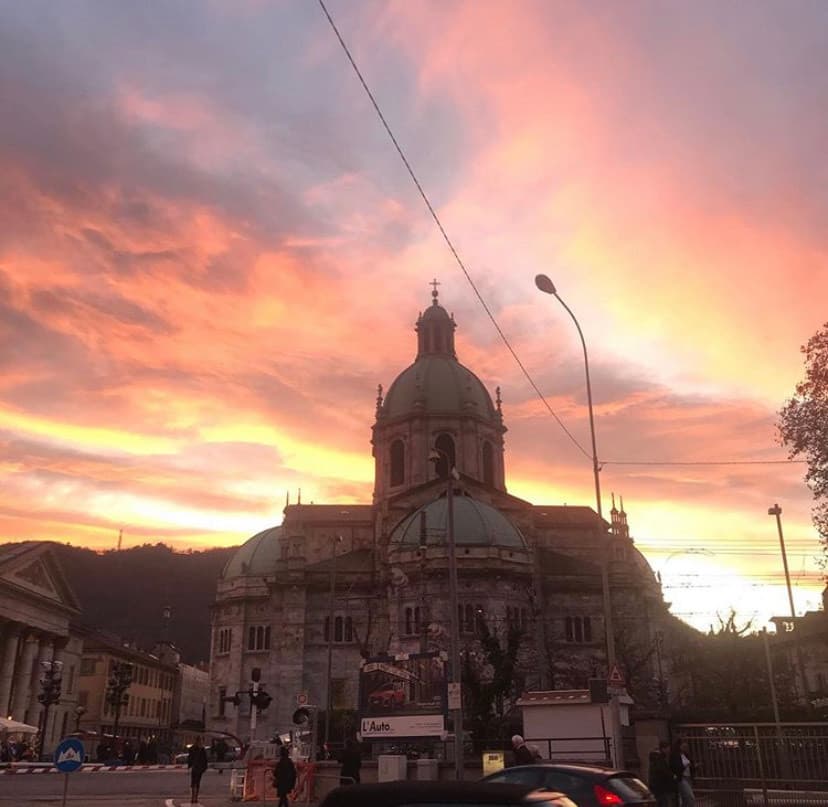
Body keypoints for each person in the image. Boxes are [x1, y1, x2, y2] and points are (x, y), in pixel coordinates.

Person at [669, 738, 696, 807]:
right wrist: (685, 766)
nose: (685, 747)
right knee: (690, 797)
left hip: (688, 777)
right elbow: (676, 767)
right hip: (682, 778)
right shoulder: (675, 755)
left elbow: (691, 764)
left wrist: (694, 766)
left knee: (685, 799)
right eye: (683, 746)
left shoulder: (686, 755)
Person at [649, 740, 676, 807]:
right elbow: (662, 771)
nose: (669, 750)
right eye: (668, 748)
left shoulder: (658, 758)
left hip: (657, 786)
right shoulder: (659, 759)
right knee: (663, 803)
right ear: (663, 749)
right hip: (661, 787)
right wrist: (672, 776)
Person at [187, 736, 209, 805]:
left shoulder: (191, 748)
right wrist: (205, 767)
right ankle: (195, 798)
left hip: (194, 767)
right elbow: (205, 760)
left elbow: (190, 758)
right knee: (197, 782)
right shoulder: (202, 749)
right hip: (200, 768)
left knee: (193, 783)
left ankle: (192, 798)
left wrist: (189, 766)